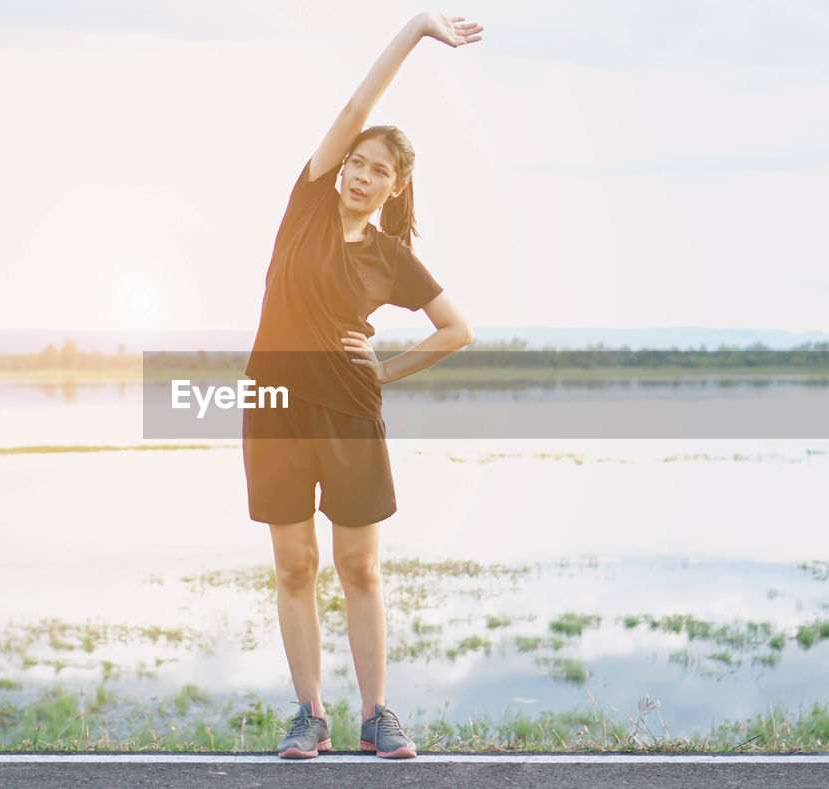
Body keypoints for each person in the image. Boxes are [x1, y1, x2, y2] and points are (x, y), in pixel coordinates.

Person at [242, 11, 482, 760]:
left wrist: (382, 371)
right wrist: (415, 29)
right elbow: (355, 109)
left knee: (358, 565)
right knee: (294, 565)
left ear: (394, 187)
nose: (360, 173)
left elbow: (456, 329)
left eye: (378, 170)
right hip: (275, 403)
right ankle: (308, 713)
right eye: (357, 161)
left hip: (350, 406)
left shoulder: (390, 257)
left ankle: (377, 713)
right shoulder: (308, 205)